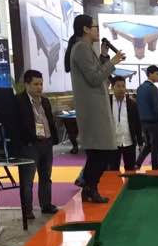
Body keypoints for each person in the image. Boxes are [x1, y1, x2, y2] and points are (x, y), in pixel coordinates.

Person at [65, 14, 125, 203]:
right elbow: (94, 78)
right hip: (92, 110)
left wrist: (105, 57)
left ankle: (90, 188)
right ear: (85, 29)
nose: (97, 30)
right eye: (95, 27)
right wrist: (112, 62)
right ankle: (89, 187)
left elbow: (97, 74)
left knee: (100, 152)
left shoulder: (85, 48)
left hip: (95, 108)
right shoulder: (81, 48)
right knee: (100, 152)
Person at [17, 69, 58, 218]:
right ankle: (27, 211)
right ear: (27, 85)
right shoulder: (18, 101)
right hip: (30, 145)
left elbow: (50, 121)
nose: (39, 87)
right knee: (27, 180)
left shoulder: (45, 101)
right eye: (35, 84)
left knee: (46, 177)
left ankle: (46, 205)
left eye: (41, 84)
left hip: (46, 143)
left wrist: (53, 139)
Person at [109, 75, 142, 172]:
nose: (121, 89)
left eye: (123, 86)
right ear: (112, 87)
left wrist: (140, 142)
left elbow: (137, 124)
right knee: (113, 170)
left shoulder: (132, 104)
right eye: (118, 86)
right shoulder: (107, 103)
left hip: (129, 142)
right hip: (112, 143)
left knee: (130, 170)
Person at [135, 65, 158, 170]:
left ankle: (138, 163)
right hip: (154, 122)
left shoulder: (140, 88)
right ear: (150, 74)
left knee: (148, 145)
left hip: (143, 122)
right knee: (156, 147)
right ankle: (155, 169)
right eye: (157, 74)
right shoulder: (153, 89)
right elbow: (157, 107)